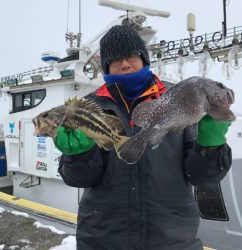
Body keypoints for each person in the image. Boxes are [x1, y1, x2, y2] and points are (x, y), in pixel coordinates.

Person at [54, 24, 232, 250]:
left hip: (173, 241)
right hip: (103, 240)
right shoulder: (90, 108)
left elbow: (202, 178)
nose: (125, 64)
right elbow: (79, 180)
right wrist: (77, 156)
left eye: (130, 56)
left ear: (144, 58)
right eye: (116, 59)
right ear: (106, 66)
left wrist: (211, 148)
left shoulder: (182, 100)